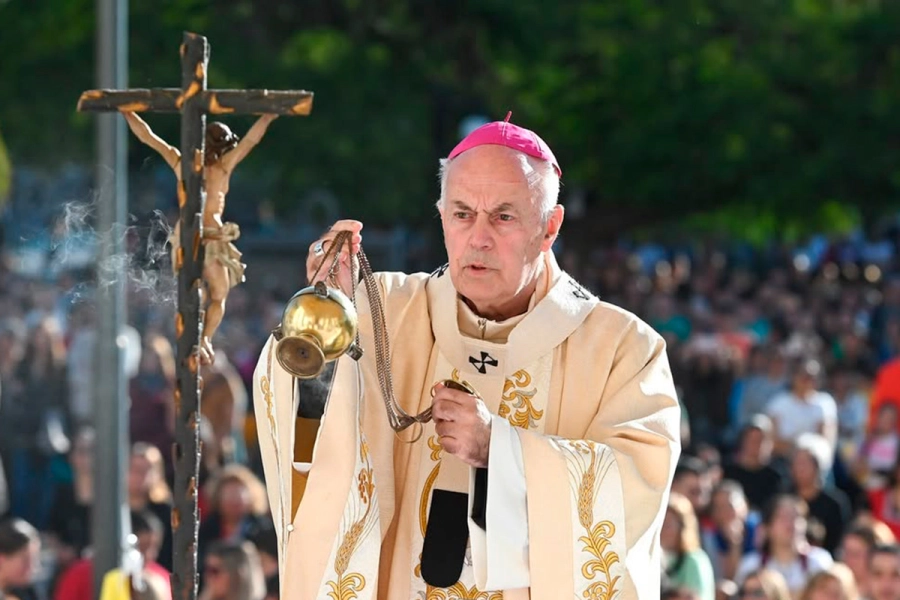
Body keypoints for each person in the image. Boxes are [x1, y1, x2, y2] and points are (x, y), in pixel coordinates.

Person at [252, 116, 682, 597]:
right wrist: (326, 316)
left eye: (503, 217)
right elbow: (302, 420)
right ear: (441, 217)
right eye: (461, 214)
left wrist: (501, 450)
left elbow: (636, 487)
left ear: (549, 227)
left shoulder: (622, 349)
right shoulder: (381, 311)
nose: (478, 238)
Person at [121, 110, 278, 364]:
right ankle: (201, 338)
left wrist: (128, 113)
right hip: (203, 236)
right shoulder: (221, 167)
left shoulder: (184, 163)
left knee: (209, 293)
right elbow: (250, 140)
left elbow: (147, 136)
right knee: (213, 294)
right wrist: (268, 118)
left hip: (196, 236)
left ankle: (202, 339)